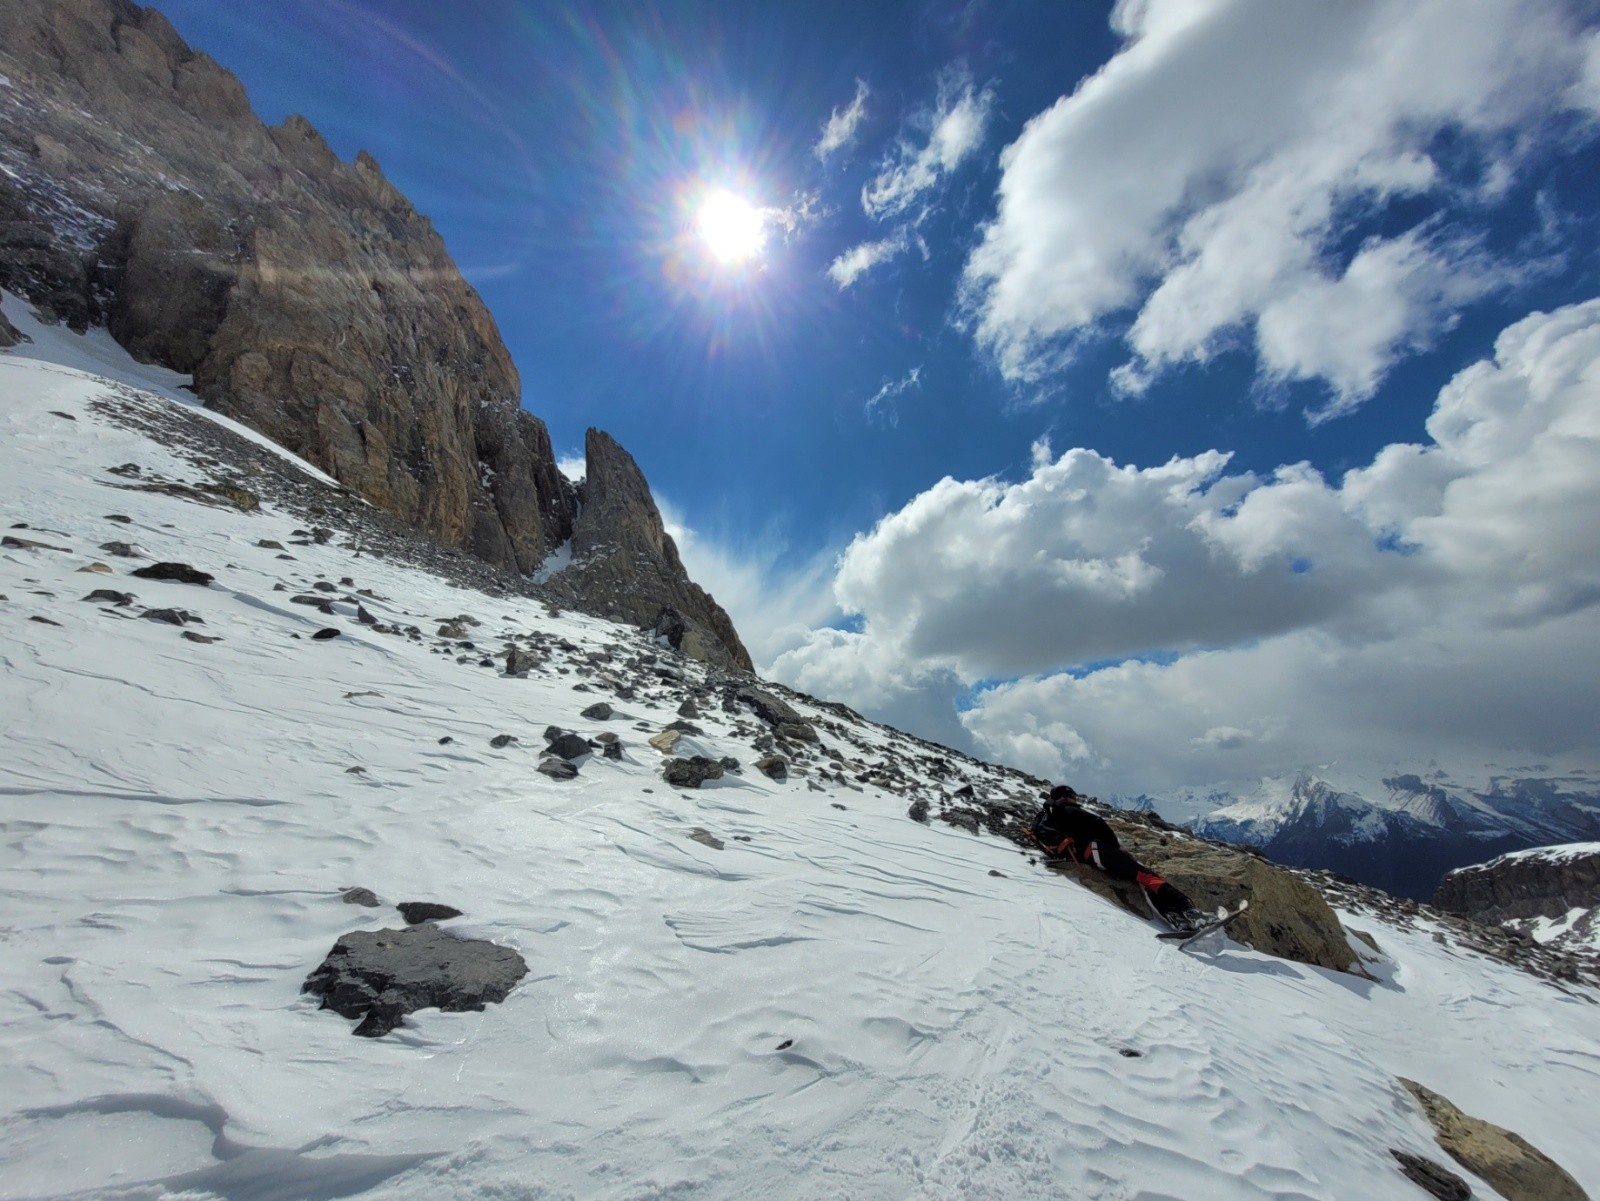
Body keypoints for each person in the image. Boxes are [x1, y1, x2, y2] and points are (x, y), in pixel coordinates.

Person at [1031, 785, 1204, 931]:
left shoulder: (1052, 815)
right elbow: (1098, 823)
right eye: (1073, 797)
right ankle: (1189, 911)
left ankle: (1176, 918)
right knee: (1146, 876)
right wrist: (1117, 847)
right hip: (1097, 851)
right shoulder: (1069, 811)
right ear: (1069, 797)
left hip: (1086, 856)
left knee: (1141, 878)